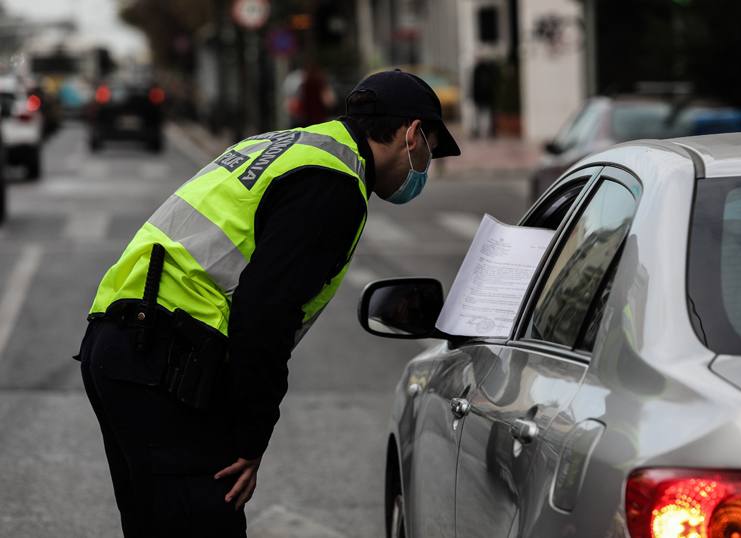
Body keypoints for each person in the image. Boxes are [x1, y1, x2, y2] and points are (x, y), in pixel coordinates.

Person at [75, 69, 460, 538]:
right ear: (412, 134)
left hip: (119, 342)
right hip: (164, 361)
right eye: (431, 152)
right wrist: (251, 439)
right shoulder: (335, 183)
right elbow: (265, 314)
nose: (426, 167)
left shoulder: (289, 144)